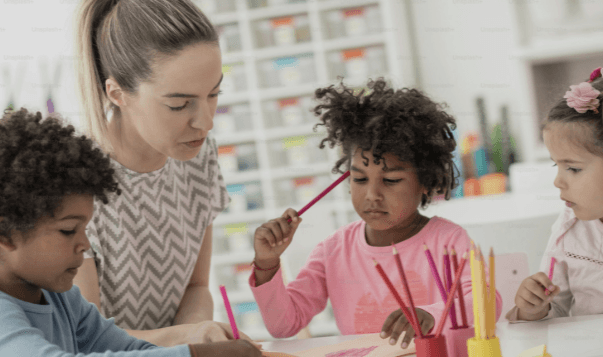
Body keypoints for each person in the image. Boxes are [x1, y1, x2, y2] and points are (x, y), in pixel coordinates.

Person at [249, 78, 503, 349]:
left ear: (426, 181)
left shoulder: (449, 241)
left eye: (391, 180)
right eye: (360, 179)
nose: (371, 195)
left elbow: (487, 303)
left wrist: (431, 313)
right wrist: (266, 264)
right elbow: (283, 325)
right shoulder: (333, 250)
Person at [0, 109, 261, 357]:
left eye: (84, 229)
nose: (84, 244)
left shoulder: (65, 300)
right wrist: (194, 354)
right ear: (6, 233)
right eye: (68, 230)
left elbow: (129, 349)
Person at [73, 0, 252, 346]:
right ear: (118, 93)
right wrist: (188, 338)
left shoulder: (200, 158)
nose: (206, 121)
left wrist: (200, 336)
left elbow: (196, 288)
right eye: (179, 104)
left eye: (214, 94)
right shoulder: (76, 181)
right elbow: (84, 337)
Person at [508, 67, 603, 322]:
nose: (558, 181)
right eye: (556, 165)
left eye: (572, 168)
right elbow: (557, 311)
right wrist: (535, 308)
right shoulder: (568, 228)